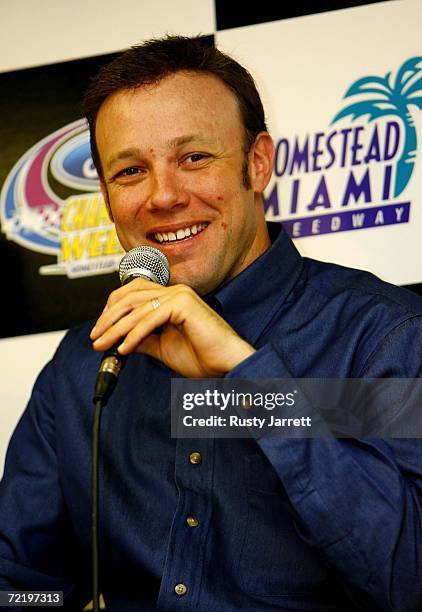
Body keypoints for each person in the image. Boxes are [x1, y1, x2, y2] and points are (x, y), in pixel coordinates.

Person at [1, 35, 422, 612]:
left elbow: (410, 576)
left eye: (194, 158)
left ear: (258, 163)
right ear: (104, 194)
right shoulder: (82, 365)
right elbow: (24, 585)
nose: (163, 196)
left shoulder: (384, 336)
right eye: (130, 171)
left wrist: (250, 378)